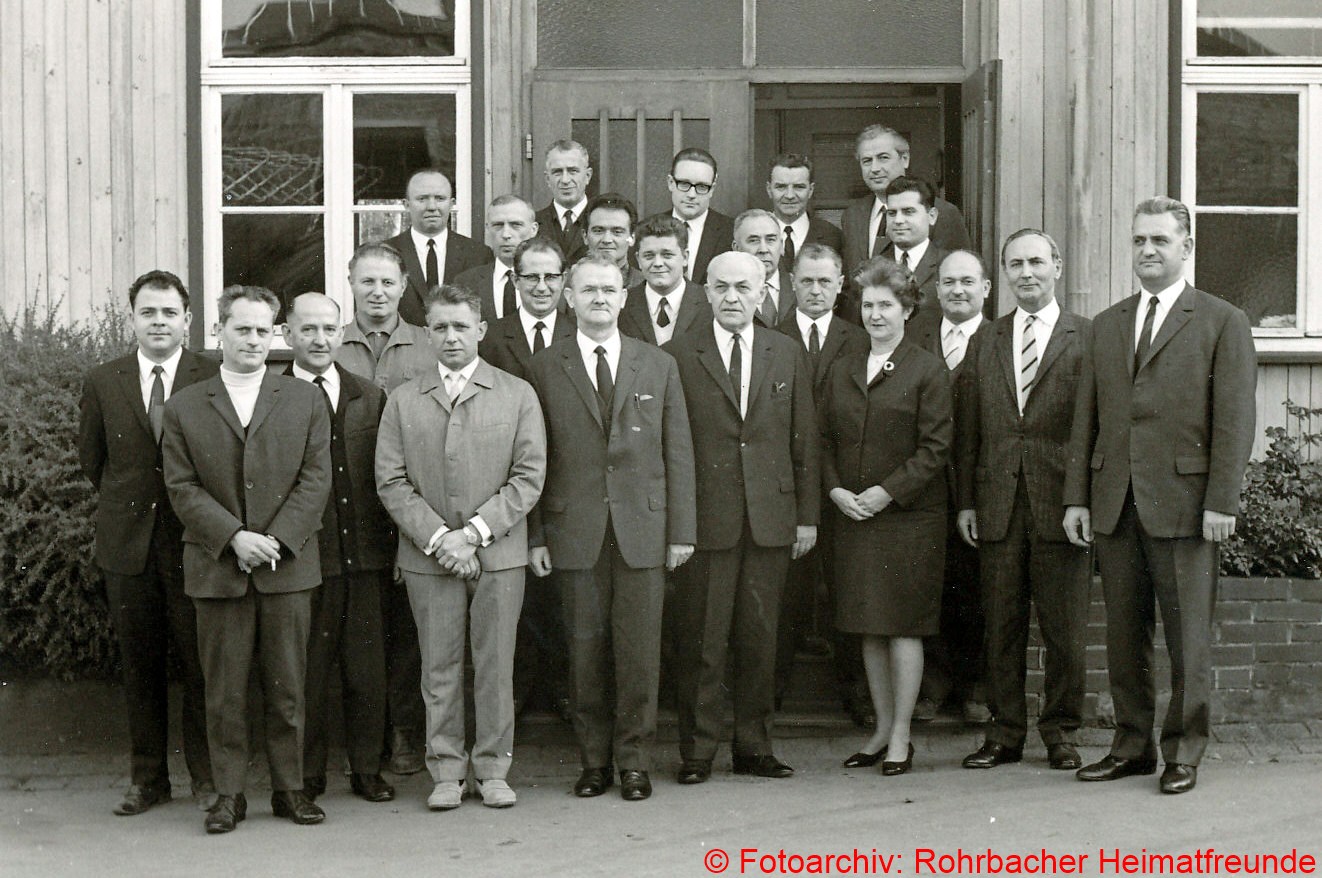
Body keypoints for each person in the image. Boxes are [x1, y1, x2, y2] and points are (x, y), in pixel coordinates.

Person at [1064, 197, 1257, 795]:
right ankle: (1131, 747)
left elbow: (1234, 420)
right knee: (1124, 637)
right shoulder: (1108, 323)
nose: (1147, 250)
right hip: (1116, 501)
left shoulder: (1222, 320)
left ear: (1186, 248)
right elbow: (1087, 418)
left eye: (1160, 241)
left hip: (1186, 504)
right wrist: (1078, 498)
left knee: (1187, 639)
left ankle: (1184, 752)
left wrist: (1222, 500)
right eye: (1139, 240)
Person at [162, 285, 331, 833]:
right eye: (242, 329)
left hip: (288, 566)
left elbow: (315, 480)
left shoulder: (304, 400)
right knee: (223, 692)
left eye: (263, 330)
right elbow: (181, 487)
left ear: (275, 335)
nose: (253, 340)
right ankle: (228, 795)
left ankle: (289, 789)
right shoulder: (185, 405)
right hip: (218, 566)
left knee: (289, 687)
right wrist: (234, 537)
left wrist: (276, 540)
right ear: (219, 332)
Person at [528, 255, 696, 802]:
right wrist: (536, 535)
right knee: (584, 653)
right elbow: (532, 458)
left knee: (640, 653)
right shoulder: (544, 366)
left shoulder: (658, 363)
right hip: (574, 530)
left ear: (625, 297)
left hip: (642, 528)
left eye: (609, 289)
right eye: (588, 290)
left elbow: (678, 451)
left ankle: (634, 763)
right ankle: (594, 761)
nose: (599, 298)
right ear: (568, 298)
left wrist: (681, 531)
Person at [375, 284, 546, 811]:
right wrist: (439, 538)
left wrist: (471, 535)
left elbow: (529, 475)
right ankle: (446, 770)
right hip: (428, 558)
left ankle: (492, 770)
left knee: (495, 666)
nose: (451, 337)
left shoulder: (516, 394)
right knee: (439, 667)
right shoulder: (404, 398)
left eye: (461, 327)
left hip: (498, 555)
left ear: (481, 331)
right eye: (441, 328)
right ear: (427, 335)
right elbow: (391, 480)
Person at [665, 251, 819, 784]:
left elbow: (805, 438)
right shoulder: (679, 354)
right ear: (705, 291)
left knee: (761, 639)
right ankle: (698, 752)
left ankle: (754, 747)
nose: (732, 297)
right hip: (707, 521)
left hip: (771, 518)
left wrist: (806, 516)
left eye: (743, 287)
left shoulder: (786, 352)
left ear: (762, 292)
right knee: (703, 642)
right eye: (722, 287)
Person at [78, 269, 217, 817]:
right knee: (140, 665)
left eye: (169, 313)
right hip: (128, 546)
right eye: (148, 312)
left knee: (200, 665)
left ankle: (206, 778)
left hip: (195, 544)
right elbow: (94, 461)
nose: (159, 322)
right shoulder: (103, 379)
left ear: (188, 319)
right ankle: (148, 779)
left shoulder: (211, 373)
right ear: (132, 319)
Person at [954, 232, 1091, 770]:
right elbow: (969, 429)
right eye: (1016, 264)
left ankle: (1061, 732)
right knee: (1001, 626)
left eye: (1036, 262)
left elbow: (1094, 428)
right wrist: (967, 501)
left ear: (1057, 266)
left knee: (1065, 631)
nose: (1026, 272)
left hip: (1062, 505)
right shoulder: (986, 338)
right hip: (998, 502)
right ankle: (1004, 733)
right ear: (1004, 275)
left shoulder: (1087, 336)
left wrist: (1081, 499)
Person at [819, 257, 952, 776]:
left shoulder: (927, 369)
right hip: (853, 515)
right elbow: (823, 438)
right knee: (867, 627)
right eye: (868, 305)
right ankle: (879, 729)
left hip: (907, 520)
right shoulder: (844, 367)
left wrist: (886, 493)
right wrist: (835, 489)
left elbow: (935, 448)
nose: (875, 315)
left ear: (908, 309)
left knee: (902, 627)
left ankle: (901, 736)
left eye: (886, 306)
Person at [280, 293, 395, 803]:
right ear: (288, 335)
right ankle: (307, 775)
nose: (319, 339)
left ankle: (367, 769)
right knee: (308, 672)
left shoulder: (368, 395)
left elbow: (386, 476)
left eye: (329, 329)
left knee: (367, 671)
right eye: (308, 329)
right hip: (306, 561)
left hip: (365, 558)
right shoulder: (273, 396)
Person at [334, 242, 435, 776]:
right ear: (350, 284)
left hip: (415, 503)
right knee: (363, 630)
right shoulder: (332, 345)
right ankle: (364, 739)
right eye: (367, 282)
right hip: (352, 507)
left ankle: (405, 733)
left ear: (403, 287)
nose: (377, 292)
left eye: (387, 282)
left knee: (410, 631)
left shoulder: (428, 345)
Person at [478, 237, 575, 722]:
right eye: (530, 277)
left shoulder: (584, 330)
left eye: (550, 276)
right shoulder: (493, 338)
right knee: (516, 604)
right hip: (508, 483)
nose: (541, 286)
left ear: (564, 280)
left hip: (569, 484)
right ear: (514, 281)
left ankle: (565, 695)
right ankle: (517, 697)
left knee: (566, 604)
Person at [773, 245, 869, 721]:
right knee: (784, 595)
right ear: (792, 283)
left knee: (848, 591)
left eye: (825, 282)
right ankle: (773, 693)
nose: (815, 290)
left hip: (845, 485)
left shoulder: (859, 338)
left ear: (840, 284)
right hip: (786, 486)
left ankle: (856, 692)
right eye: (806, 281)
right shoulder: (771, 336)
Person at [904, 249, 991, 724]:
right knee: (928, 585)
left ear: (986, 289)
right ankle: (933, 685)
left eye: (967, 282)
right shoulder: (915, 337)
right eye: (949, 282)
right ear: (936, 290)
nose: (958, 290)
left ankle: (976, 686)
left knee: (977, 587)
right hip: (926, 486)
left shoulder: (1000, 339)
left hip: (979, 486)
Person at [840, 124, 970, 279]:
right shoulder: (852, 215)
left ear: (905, 159)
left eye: (883, 158)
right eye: (867, 160)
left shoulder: (944, 213)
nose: (874, 168)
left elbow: (960, 274)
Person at [384, 168, 493, 326]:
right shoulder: (386, 252)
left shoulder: (479, 254)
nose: (432, 206)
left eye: (440, 198)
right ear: (406, 205)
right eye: (422, 199)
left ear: (452, 204)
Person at [643, 148, 735, 285]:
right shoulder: (645, 229)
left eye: (702, 186)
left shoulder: (731, 232)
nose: (692, 195)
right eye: (684, 184)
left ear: (712, 190)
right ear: (670, 183)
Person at [618, 214, 711, 346]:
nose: (658, 263)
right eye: (649, 255)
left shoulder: (708, 302)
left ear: (685, 257)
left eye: (667, 255)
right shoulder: (623, 304)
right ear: (638, 259)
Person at [453, 195, 540, 324]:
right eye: (498, 225)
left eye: (516, 225)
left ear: (533, 229)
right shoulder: (466, 282)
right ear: (487, 229)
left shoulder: (553, 281)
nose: (506, 234)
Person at [766, 153, 844, 274]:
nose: (790, 195)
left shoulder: (833, 237)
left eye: (799, 187)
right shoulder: (754, 235)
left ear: (810, 190)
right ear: (769, 189)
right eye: (781, 187)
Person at [733, 209, 795, 329]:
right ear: (736, 248)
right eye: (753, 241)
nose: (763, 249)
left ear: (781, 245)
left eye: (770, 240)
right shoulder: (725, 293)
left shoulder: (799, 288)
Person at [535, 140, 592, 264]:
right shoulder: (533, 224)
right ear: (547, 179)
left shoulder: (602, 222)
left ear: (587, 176)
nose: (565, 180)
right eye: (557, 172)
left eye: (573, 171)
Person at [584, 193, 644, 289]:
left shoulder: (646, 284)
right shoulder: (567, 283)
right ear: (585, 236)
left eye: (617, 232)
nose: (607, 240)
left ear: (632, 237)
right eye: (598, 231)